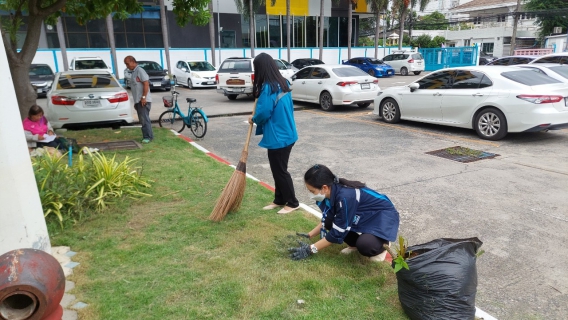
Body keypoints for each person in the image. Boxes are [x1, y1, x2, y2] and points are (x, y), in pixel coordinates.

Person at [289, 164, 400, 261]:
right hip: (364, 214)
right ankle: (354, 245)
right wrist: (309, 235)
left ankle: (381, 245)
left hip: (382, 216)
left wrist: (310, 249)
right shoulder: (331, 192)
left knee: (366, 245)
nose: (311, 194)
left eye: (312, 191)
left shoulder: (345, 198)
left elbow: (337, 232)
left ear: (324, 187)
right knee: (329, 222)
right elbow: (327, 219)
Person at [248, 53, 299, 215]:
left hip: (279, 137)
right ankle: (279, 199)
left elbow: (263, 113)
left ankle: (292, 202)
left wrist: (253, 118)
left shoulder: (268, 87)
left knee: (280, 171)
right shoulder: (282, 82)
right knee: (277, 169)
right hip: (287, 133)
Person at [124, 55, 153, 143]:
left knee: (144, 119)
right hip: (139, 101)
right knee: (142, 118)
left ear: (133, 61)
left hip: (143, 100)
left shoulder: (140, 70)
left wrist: (143, 97)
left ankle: (148, 137)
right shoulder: (134, 72)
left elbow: (146, 84)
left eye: (127, 63)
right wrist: (136, 102)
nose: (127, 66)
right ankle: (148, 136)